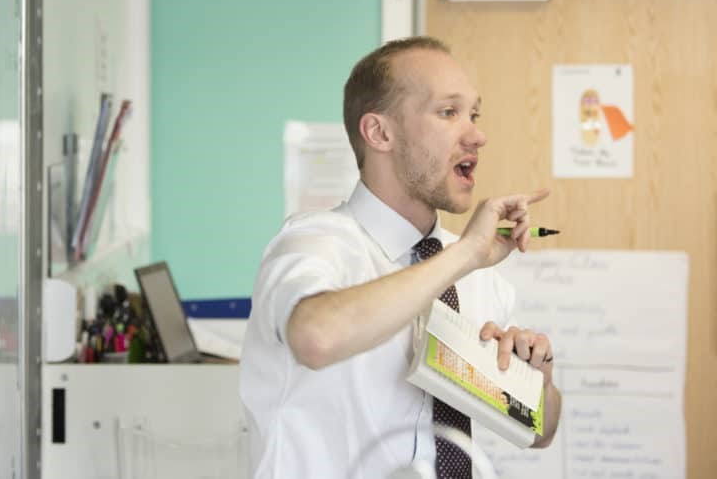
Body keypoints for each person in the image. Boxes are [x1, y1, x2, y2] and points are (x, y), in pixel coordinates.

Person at [239, 36, 562, 478]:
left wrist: (537, 380)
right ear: (379, 133)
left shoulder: (475, 272)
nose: (477, 135)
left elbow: (540, 430)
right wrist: (465, 254)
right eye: (448, 113)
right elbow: (315, 337)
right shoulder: (315, 244)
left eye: (474, 114)